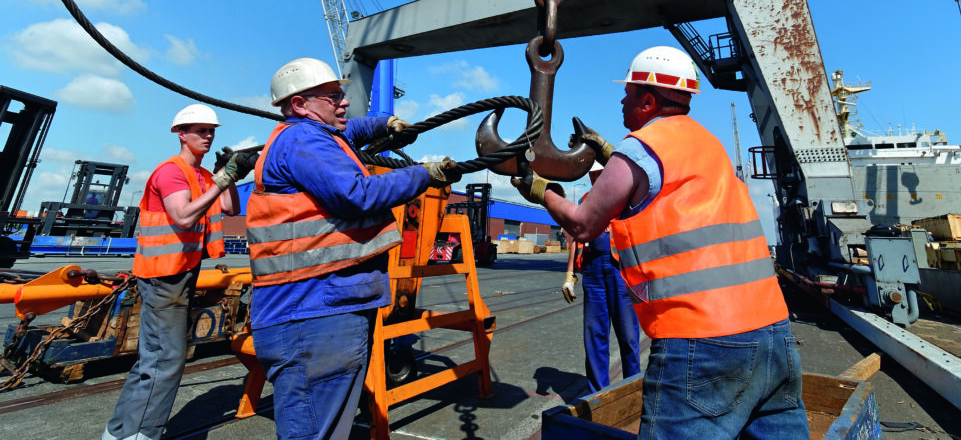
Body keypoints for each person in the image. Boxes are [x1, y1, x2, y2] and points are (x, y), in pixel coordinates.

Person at [515, 46, 809, 440]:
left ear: (649, 100)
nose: (622, 99)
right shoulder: (711, 146)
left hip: (701, 344)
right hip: (773, 335)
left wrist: (541, 191)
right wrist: (611, 153)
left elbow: (584, 226)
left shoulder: (638, 148)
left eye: (629, 93)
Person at [245, 57, 462, 439]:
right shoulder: (303, 140)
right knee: (317, 431)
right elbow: (356, 194)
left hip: (318, 308)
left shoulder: (314, 135)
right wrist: (424, 174)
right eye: (333, 97)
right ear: (299, 105)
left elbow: (346, 132)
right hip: (309, 312)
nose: (344, 103)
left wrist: (385, 125)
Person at [104, 103, 257, 440]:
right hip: (162, 277)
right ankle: (142, 434)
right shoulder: (171, 172)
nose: (208, 135)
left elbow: (230, 208)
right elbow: (184, 216)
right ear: (180, 134)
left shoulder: (203, 176)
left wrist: (226, 174)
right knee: (166, 361)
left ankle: (119, 432)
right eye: (200, 130)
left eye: (211, 130)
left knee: (155, 358)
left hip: (182, 275)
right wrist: (226, 176)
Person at [562, 161, 641, 394]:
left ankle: (632, 392)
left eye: (599, 173)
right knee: (595, 337)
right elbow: (576, 237)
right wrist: (569, 275)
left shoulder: (624, 197)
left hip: (620, 271)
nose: (595, 178)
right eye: (592, 175)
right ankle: (598, 394)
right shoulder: (585, 200)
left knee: (628, 336)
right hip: (593, 273)